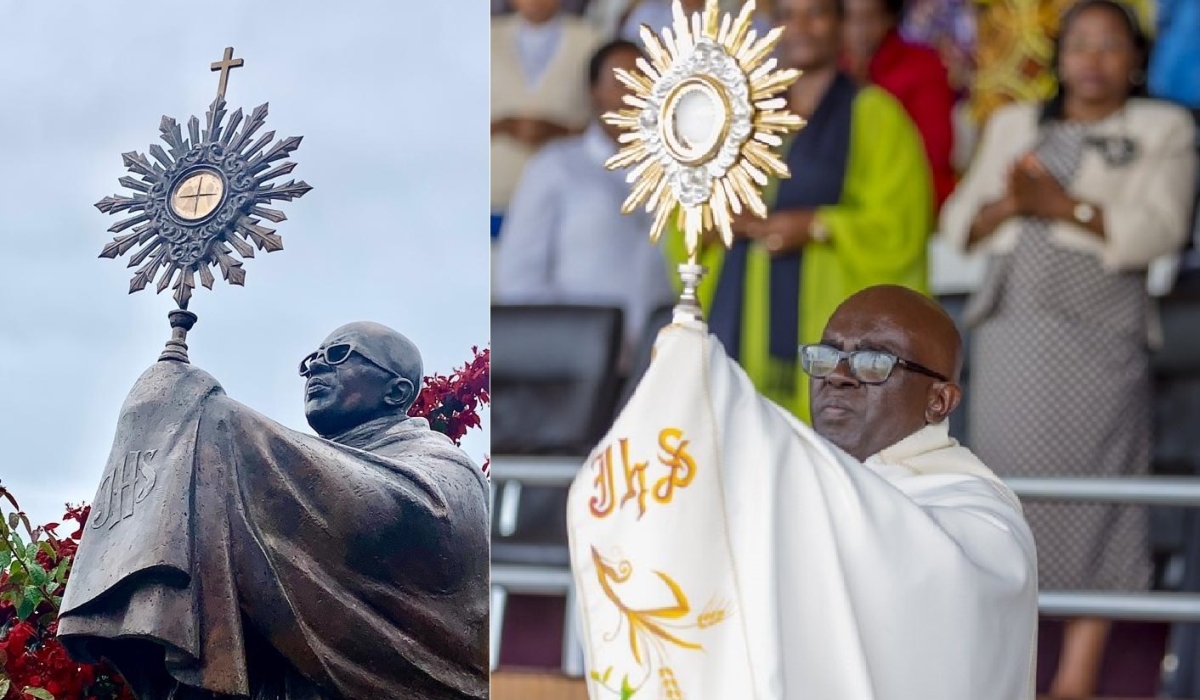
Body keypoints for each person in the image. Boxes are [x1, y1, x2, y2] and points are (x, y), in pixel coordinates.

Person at [568, 284, 1037, 700]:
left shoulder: (979, 518)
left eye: (874, 361)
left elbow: (902, 557)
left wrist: (717, 391)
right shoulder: (801, 484)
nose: (837, 375)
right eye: (826, 355)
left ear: (940, 400)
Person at [939, 1, 1197, 695]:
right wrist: (1012, 205)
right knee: (1002, 499)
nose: (1092, 59)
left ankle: (1076, 679)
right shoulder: (1015, 124)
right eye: (1079, 44)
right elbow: (960, 219)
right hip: (1013, 329)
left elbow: (1162, 227)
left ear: (1135, 58)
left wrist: (1064, 206)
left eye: (1110, 45)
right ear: (1059, 56)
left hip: (1100, 332)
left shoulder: (1161, 127)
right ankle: (1006, 667)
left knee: (1099, 502)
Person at [59, 322, 490, 700]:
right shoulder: (287, 483)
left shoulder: (444, 469)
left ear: (397, 390)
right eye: (312, 360)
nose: (317, 368)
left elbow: (402, 515)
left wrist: (219, 420)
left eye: (339, 355)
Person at [667, 0, 933, 423]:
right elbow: (686, 217)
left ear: (842, 24)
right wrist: (719, 222)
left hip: (828, 321)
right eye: (787, 16)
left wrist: (815, 225)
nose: (801, 27)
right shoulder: (739, 116)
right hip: (743, 315)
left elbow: (900, 226)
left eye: (816, 14)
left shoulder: (876, 115)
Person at [494, 39, 675, 358]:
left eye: (646, 80)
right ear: (594, 92)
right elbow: (520, 277)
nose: (636, 93)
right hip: (577, 361)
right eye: (622, 82)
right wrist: (573, 343)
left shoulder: (677, 170)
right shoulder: (556, 165)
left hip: (664, 354)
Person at [492, 0, 603, 220]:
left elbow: (611, 117)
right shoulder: (487, 36)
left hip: (565, 194)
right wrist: (503, 125)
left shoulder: (591, 40)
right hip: (494, 190)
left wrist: (559, 131)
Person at [842, 0, 957, 210]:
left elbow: (935, 155)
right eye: (849, 19)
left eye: (870, 19)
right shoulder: (829, 66)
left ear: (890, 19)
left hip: (913, 193)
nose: (859, 31)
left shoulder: (922, 66)